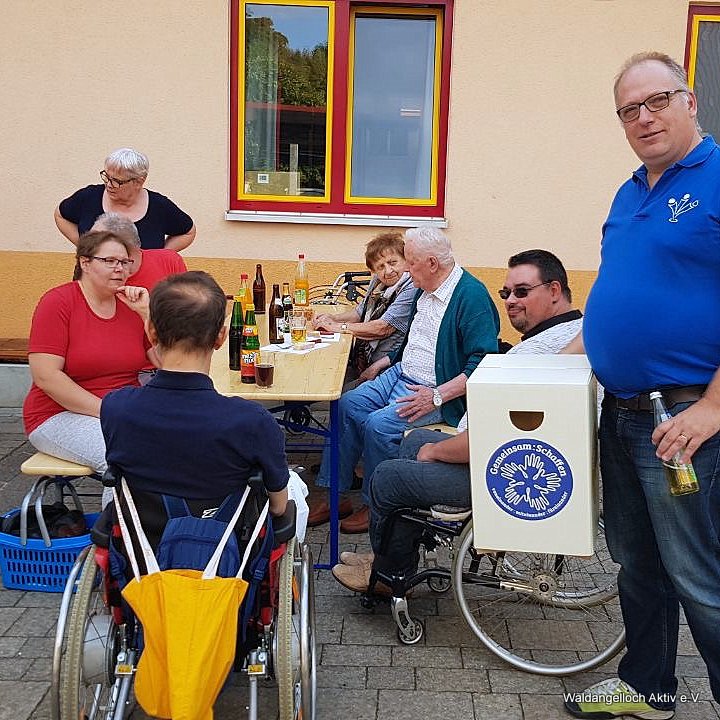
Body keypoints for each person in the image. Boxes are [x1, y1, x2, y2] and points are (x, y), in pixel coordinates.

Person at [562, 52, 720, 719]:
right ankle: (648, 689)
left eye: (657, 101)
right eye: (630, 109)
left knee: (700, 577)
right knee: (637, 563)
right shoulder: (628, 192)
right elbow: (620, 290)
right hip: (622, 412)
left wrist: (714, 407)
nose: (644, 118)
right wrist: (569, 354)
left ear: (689, 101)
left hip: (683, 419)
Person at [333, 249, 583, 592]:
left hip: (504, 474)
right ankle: (390, 558)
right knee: (412, 441)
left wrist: (438, 451)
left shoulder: (538, 355)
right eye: (506, 293)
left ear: (554, 290)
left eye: (522, 291)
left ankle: (390, 576)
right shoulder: (571, 335)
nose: (510, 301)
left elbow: (493, 437)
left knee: (388, 477)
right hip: (509, 457)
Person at [312, 226, 500, 534]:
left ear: (432, 263)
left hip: (435, 390)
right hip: (401, 372)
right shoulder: (423, 288)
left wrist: (436, 396)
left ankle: (376, 506)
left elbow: (483, 363)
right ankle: (335, 496)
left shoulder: (470, 296)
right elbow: (413, 340)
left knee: (378, 426)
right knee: (346, 404)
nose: (405, 271)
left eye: (410, 263)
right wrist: (383, 363)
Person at [100, 271, 288, 547]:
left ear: (151, 332)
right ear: (221, 337)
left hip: (145, 551)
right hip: (225, 552)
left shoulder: (116, 408)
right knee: (295, 492)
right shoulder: (251, 421)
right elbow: (279, 507)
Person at [23, 230, 156, 474]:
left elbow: (167, 362)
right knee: (124, 456)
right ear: (85, 263)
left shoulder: (132, 306)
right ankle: (122, 502)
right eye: (110, 261)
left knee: (184, 444)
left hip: (126, 412)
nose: (120, 269)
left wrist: (147, 315)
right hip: (59, 414)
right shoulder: (58, 302)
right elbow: (46, 377)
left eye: (125, 262)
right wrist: (108, 411)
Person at [313, 231, 415, 390]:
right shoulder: (378, 282)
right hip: (363, 361)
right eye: (380, 267)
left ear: (406, 261)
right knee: (320, 375)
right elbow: (360, 312)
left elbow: (382, 328)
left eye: (393, 262)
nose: (388, 271)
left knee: (332, 388)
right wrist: (332, 318)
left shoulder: (410, 287)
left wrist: (337, 327)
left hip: (386, 368)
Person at [54, 147, 196, 251]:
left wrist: (159, 256)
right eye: (107, 177)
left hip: (142, 281)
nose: (109, 185)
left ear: (139, 181)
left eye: (117, 181)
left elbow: (188, 231)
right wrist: (84, 246)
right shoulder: (89, 197)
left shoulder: (159, 206)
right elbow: (60, 215)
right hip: (92, 280)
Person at [91, 212, 188, 321]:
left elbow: (186, 316)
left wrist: (145, 311)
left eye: (96, 247)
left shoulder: (170, 261)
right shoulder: (91, 271)